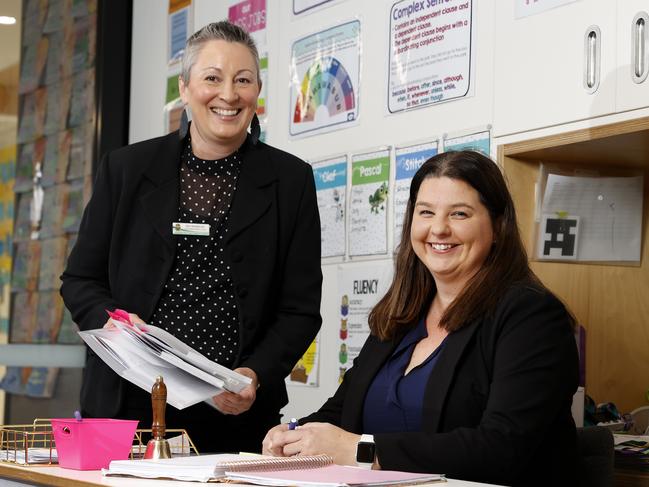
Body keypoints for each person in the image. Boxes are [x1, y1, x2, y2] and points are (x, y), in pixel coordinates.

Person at [60, 21, 322, 453]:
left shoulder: (290, 180)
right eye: (212, 78)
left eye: (243, 80)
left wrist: (252, 375)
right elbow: (80, 280)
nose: (228, 94)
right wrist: (116, 325)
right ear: (184, 89)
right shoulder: (126, 169)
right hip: (127, 405)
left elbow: (299, 308)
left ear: (258, 89)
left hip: (237, 412)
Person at [263, 150, 579, 486]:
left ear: (498, 226)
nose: (438, 229)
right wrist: (294, 436)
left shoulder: (531, 316)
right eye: (425, 212)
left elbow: (501, 448)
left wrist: (360, 450)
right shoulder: (400, 314)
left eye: (459, 214)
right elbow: (342, 412)